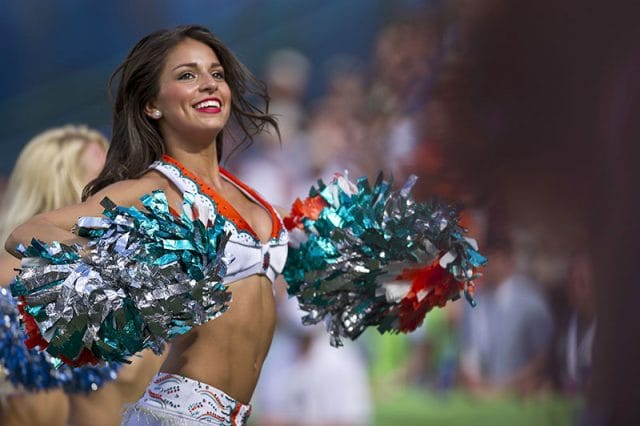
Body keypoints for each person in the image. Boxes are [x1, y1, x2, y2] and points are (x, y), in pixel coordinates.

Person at [5, 25, 283, 425]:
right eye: (187, 75)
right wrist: (126, 263)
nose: (208, 85)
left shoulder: (252, 197)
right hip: (179, 413)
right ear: (153, 105)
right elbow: (26, 235)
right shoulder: (152, 190)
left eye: (216, 74)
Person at [0, 124, 107, 426]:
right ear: (59, 190)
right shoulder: (7, 285)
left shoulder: (118, 278)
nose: (119, 191)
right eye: (102, 182)